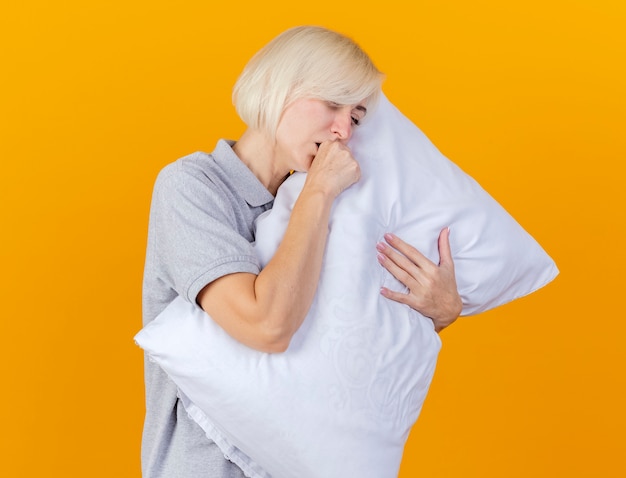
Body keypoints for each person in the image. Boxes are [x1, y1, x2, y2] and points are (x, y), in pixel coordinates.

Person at [141, 26, 462, 477]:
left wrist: (439, 312)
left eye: (356, 116)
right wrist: (320, 192)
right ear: (278, 87)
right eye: (332, 104)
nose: (343, 130)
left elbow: (355, 349)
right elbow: (267, 325)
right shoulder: (193, 187)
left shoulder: (334, 207)